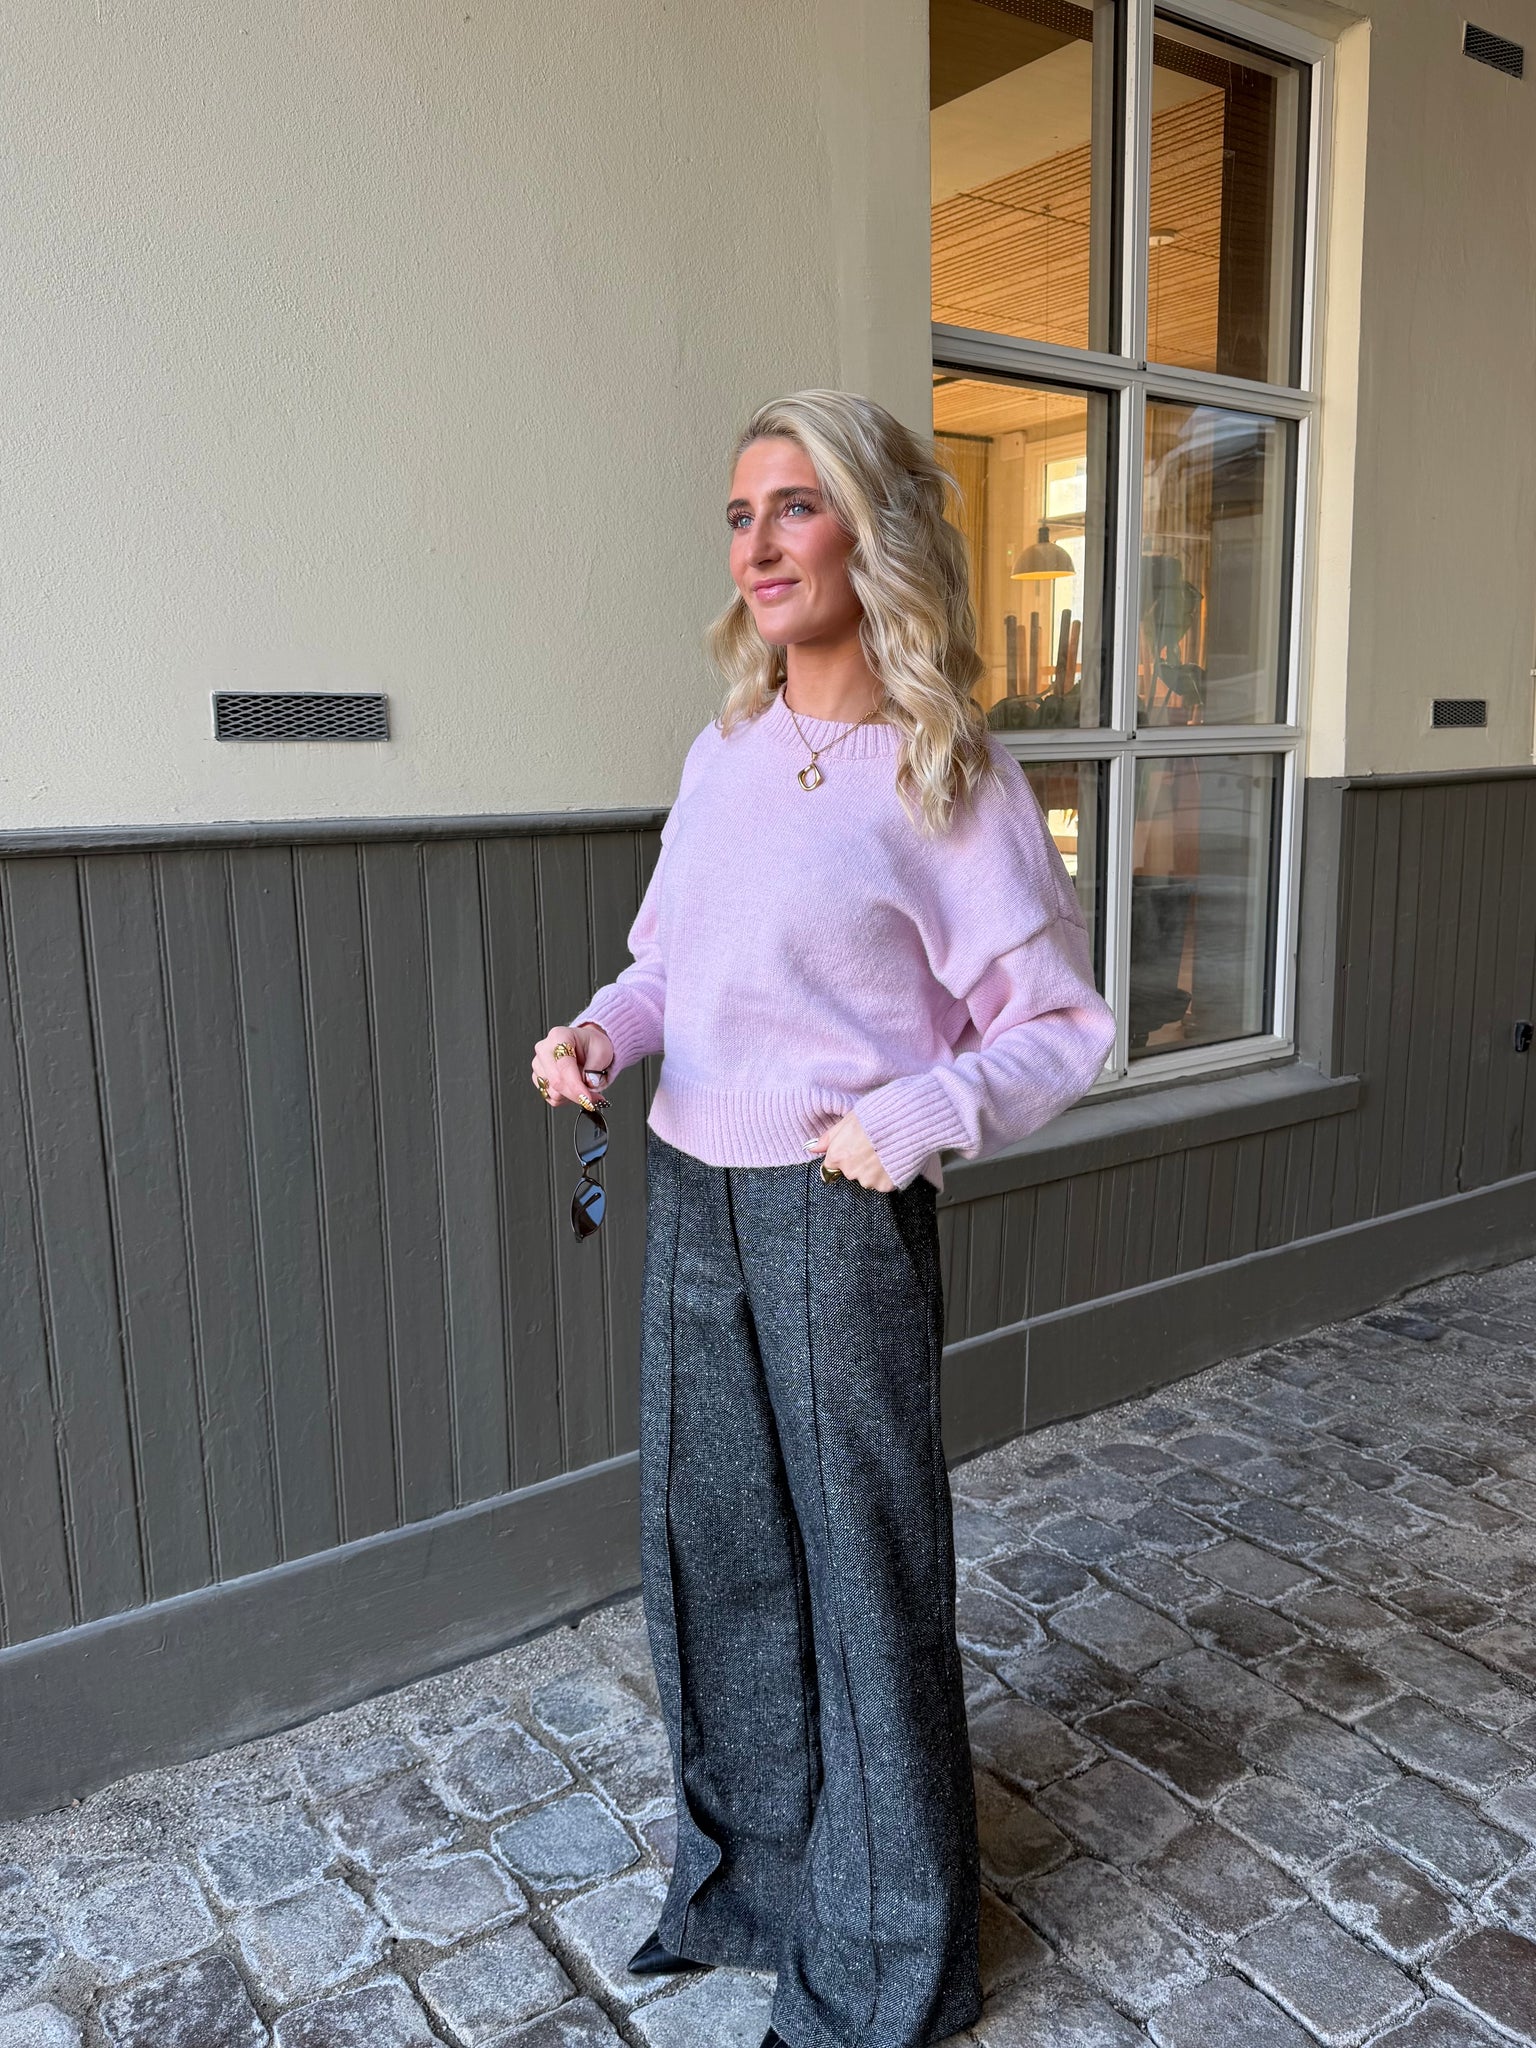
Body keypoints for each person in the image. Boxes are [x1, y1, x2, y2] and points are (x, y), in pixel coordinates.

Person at [530, 390, 1115, 2048]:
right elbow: (669, 966)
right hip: (689, 1192)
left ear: (877, 529)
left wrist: (917, 1118)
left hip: (837, 1213)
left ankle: (882, 1964)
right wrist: (601, 1033)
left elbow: (1063, 1027)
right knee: (712, 1553)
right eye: (741, 515)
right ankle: (752, 1890)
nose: (759, 544)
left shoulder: (949, 777)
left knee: (866, 1579)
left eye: (794, 506)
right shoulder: (723, 753)